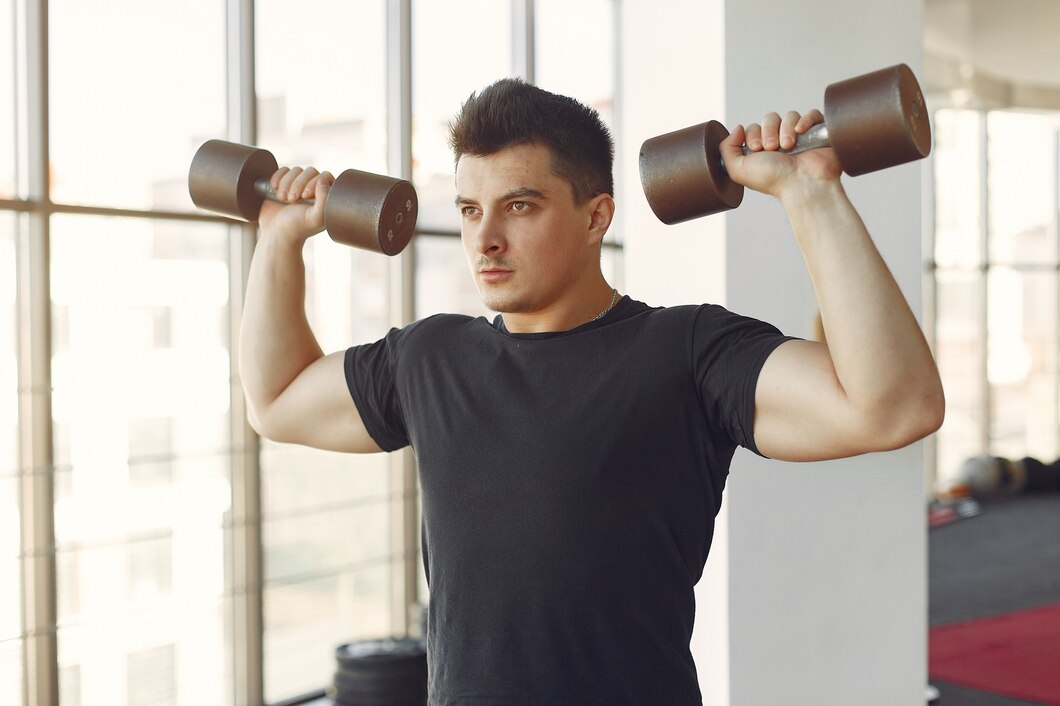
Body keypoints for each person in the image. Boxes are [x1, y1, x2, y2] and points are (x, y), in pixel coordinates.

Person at [239, 79, 945, 705]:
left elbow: (893, 406)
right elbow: (276, 398)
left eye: (518, 206)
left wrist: (808, 190)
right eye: (468, 209)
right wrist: (278, 237)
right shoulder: (431, 356)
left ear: (594, 216)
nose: (484, 239)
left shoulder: (687, 352)